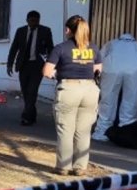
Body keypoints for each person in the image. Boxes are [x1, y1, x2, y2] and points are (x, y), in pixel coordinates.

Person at [43, 15, 102, 176]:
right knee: (83, 131)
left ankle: (63, 166)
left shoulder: (61, 48)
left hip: (69, 88)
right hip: (90, 90)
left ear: (68, 30)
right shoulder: (94, 48)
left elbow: (47, 72)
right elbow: (98, 70)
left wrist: (57, 74)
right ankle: (80, 167)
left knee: (65, 130)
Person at [92, 33, 137, 141]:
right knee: (131, 100)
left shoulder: (111, 44)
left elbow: (100, 58)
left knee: (108, 99)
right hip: (134, 72)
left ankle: (102, 131)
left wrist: (98, 75)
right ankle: (126, 130)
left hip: (111, 70)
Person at [7, 10, 54, 126]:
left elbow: (51, 49)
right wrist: (10, 64)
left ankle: (26, 117)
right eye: (32, 20)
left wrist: (50, 65)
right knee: (25, 91)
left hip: (38, 66)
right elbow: (14, 48)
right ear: (27, 20)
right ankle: (32, 114)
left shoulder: (45, 31)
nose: (34, 23)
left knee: (32, 91)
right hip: (23, 65)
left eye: (36, 21)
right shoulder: (21, 31)